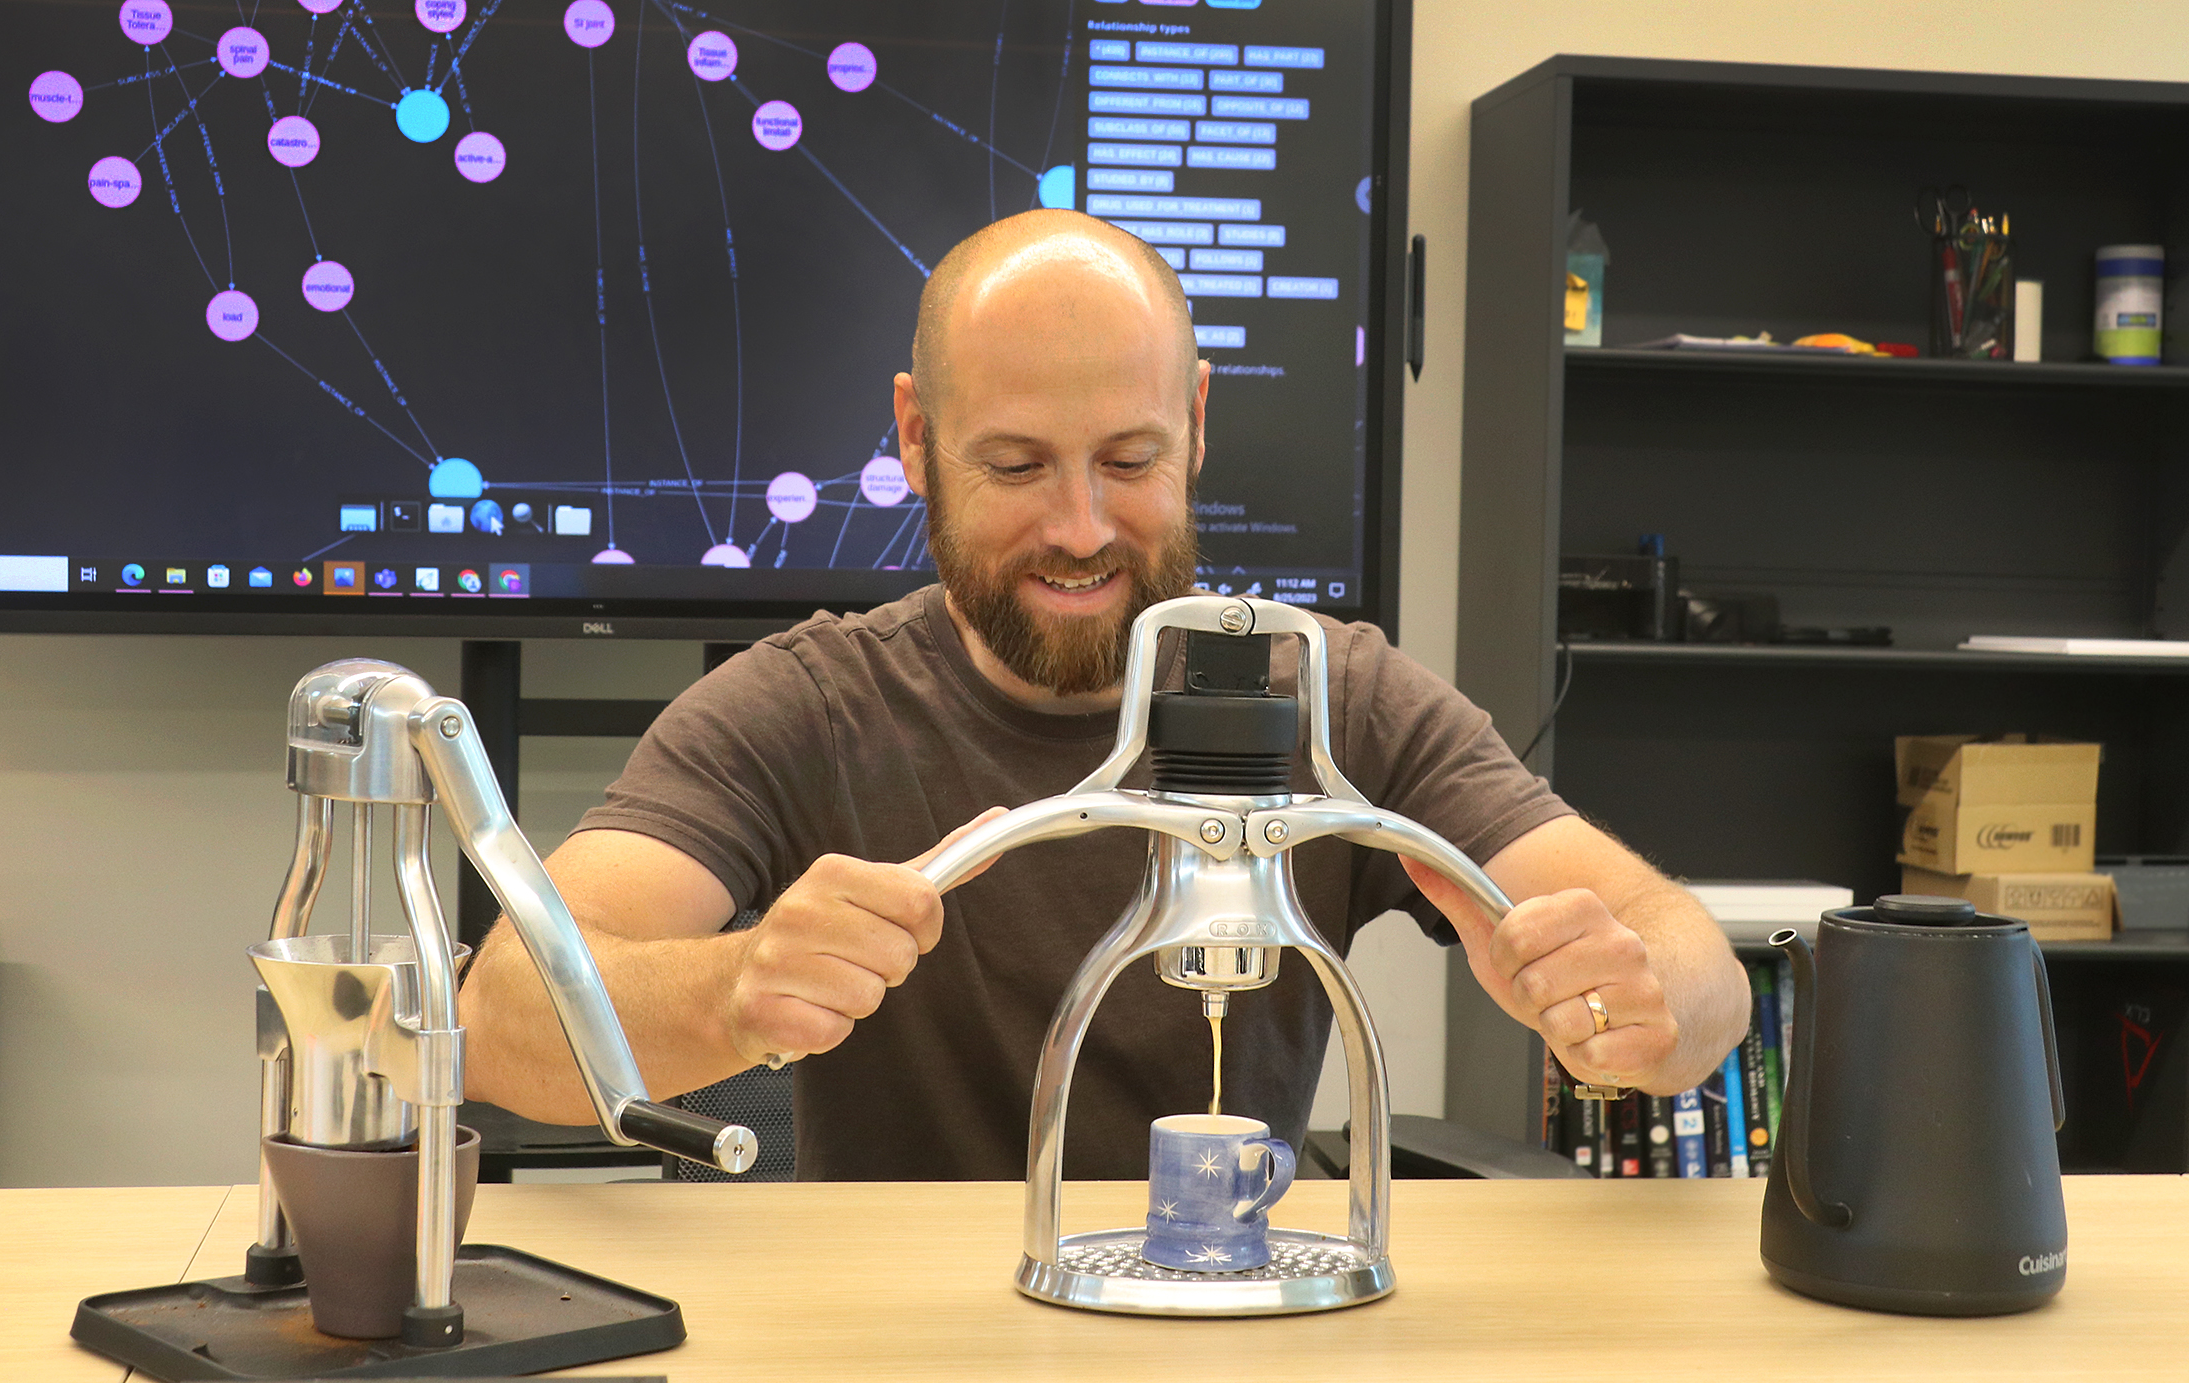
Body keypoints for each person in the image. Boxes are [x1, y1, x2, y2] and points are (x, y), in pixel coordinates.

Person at [457, 210, 1750, 1179]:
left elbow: (1698, 974)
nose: (1080, 528)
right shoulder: (801, 708)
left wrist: (1632, 1000)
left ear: (1194, 422)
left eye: (1128, 460)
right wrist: (737, 990)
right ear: (914, 437)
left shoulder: (1334, 697)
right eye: (1015, 465)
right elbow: (504, 1017)